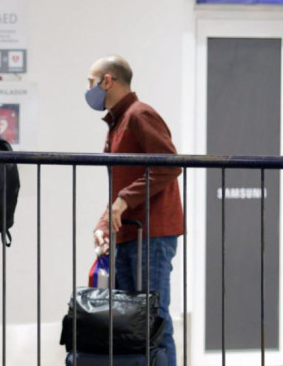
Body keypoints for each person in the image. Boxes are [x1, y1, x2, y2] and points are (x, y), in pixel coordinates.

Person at [88, 57, 182, 364]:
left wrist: (125, 199)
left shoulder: (140, 114)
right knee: (135, 322)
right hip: (130, 234)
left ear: (108, 80)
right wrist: (104, 221)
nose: (88, 89)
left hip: (151, 235)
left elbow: (169, 164)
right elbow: (121, 186)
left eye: (91, 81)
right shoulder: (118, 121)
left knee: (153, 319)